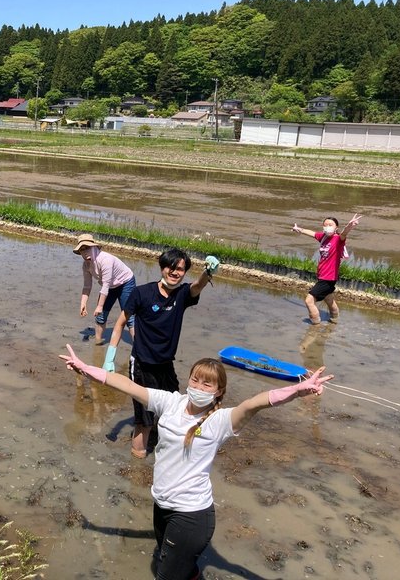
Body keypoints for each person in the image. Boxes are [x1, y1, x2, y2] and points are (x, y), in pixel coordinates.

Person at [60, 344, 333, 580]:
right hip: (162, 506)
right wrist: (87, 369)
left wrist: (297, 391)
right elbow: (128, 385)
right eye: (195, 380)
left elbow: (254, 404)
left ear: (218, 391)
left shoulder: (220, 421)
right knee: (176, 564)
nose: (198, 387)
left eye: (207, 384)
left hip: (192, 516)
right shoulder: (170, 402)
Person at [103, 248, 219, 458]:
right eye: (170, 267)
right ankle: (137, 465)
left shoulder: (182, 294)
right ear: (162, 267)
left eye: (180, 269)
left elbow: (197, 286)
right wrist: (109, 358)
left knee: (177, 409)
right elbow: (120, 323)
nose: (175, 272)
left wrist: (207, 273)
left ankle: (167, 452)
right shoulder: (142, 293)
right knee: (144, 421)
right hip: (141, 365)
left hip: (166, 365)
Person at [292, 213, 362, 324]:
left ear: (336, 228)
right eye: (325, 225)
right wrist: (299, 229)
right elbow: (313, 233)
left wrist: (349, 226)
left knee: (309, 301)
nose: (327, 227)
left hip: (328, 278)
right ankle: (335, 320)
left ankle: (315, 326)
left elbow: (344, 234)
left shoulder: (338, 239)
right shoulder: (323, 237)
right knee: (329, 299)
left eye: (330, 225)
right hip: (323, 275)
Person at [73, 233, 136, 345]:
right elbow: (87, 286)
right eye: (82, 250)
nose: (85, 252)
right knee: (100, 316)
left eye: (87, 248)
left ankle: (138, 346)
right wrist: (83, 303)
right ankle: (97, 344)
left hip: (125, 283)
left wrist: (100, 306)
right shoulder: (86, 265)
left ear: (95, 247)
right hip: (110, 287)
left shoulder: (105, 260)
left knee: (128, 316)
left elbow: (105, 285)